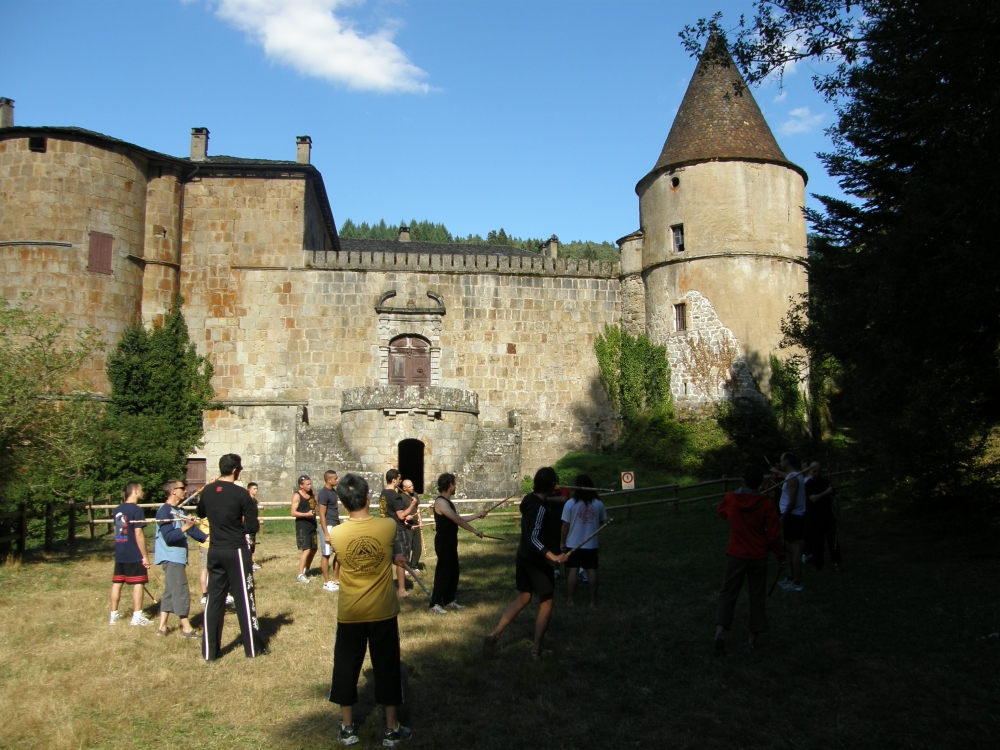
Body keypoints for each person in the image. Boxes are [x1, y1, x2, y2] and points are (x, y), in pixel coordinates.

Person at [328, 473, 411, 748]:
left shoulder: (337, 534)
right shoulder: (387, 526)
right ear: (367, 497)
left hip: (350, 612)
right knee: (388, 668)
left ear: (342, 503)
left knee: (346, 668)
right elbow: (389, 552)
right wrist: (395, 557)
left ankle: (347, 727)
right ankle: (391, 728)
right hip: (382, 610)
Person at [483, 467, 569, 660]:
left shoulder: (530, 500)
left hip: (523, 556)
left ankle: (494, 635)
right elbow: (533, 538)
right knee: (546, 602)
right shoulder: (540, 509)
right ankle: (536, 650)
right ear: (551, 484)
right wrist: (553, 557)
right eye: (555, 482)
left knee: (523, 598)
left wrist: (552, 493)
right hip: (537, 561)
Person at [196, 453, 264, 660]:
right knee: (244, 598)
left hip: (214, 548)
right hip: (235, 549)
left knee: (214, 600)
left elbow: (200, 513)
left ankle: (210, 652)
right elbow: (252, 526)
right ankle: (253, 648)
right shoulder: (241, 494)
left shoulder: (208, 491)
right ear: (234, 471)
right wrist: (237, 527)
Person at [713, 465, 786, 655]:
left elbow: (721, 512)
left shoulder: (732, 498)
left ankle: (719, 633)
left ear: (743, 480)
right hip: (758, 556)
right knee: (757, 597)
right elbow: (774, 535)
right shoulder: (766, 504)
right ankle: (751, 641)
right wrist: (781, 556)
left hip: (736, 554)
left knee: (728, 593)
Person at [154, 479, 207, 638]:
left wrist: (207, 538)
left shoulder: (179, 510)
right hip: (171, 557)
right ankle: (186, 629)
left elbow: (191, 531)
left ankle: (162, 628)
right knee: (180, 590)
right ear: (173, 491)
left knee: (170, 591)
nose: (185, 491)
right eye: (182, 488)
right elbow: (169, 537)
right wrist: (185, 526)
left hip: (178, 557)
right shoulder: (164, 511)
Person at [428, 473, 486, 615]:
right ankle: (434, 604)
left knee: (453, 571)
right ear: (449, 485)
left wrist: (477, 515)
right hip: (443, 541)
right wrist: (474, 531)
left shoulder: (448, 502)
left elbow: (458, 518)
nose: (455, 487)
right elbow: (457, 520)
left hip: (450, 539)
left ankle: (448, 600)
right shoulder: (440, 502)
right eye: (454, 484)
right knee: (444, 571)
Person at [559, 474, 608, 608]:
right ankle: (592, 601)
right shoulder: (598, 503)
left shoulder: (570, 503)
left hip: (573, 543)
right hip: (590, 544)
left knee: (574, 570)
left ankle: (571, 600)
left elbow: (565, 525)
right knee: (591, 570)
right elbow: (601, 521)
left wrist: (562, 542)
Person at [108, 481, 151, 627]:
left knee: (117, 583)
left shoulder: (117, 509)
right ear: (135, 491)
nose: (143, 492)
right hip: (134, 552)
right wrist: (145, 556)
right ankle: (137, 616)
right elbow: (139, 534)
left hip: (120, 551)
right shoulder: (137, 510)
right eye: (141, 489)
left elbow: (117, 531)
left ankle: (113, 615)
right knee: (138, 582)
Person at [773, 452, 807, 592]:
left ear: (787, 461)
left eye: (781, 460)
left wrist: (783, 517)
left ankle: (797, 581)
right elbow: (785, 476)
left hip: (793, 516)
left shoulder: (793, 478)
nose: (780, 463)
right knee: (788, 547)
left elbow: (792, 501)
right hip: (790, 515)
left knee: (795, 548)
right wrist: (777, 472)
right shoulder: (794, 475)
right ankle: (791, 576)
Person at [381, 469, 416, 599]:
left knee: (391, 558)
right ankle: (402, 590)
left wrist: (407, 524)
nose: (400, 481)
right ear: (394, 480)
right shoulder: (395, 495)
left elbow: (390, 513)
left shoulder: (383, 493)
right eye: (399, 479)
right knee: (401, 559)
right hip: (398, 531)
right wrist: (412, 505)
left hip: (387, 528)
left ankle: (386, 587)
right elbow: (401, 515)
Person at [804, 462, 842, 571]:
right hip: (814, 517)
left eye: (819, 471)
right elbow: (813, 499)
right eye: (814, 471)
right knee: (817, 541)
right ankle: (817, 564)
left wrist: (837, 514)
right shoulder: (808, 485)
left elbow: (833, 499)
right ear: (810, 471)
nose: (816, 473)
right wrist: (826, 492)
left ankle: (837, 562)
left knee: (833, 540)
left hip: (828, 515)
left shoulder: (826, 482)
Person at [317, 470, 342, 592]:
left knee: (339, 553)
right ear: (328, 480)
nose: (337, 480)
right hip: (328, 525)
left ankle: (336, 579)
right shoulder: (323, 494)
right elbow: (322, 514)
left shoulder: (333, 492)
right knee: (326, 554)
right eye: (335, 479)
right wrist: (326, 533)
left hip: (336, 524)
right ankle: (326, 582)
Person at [291, 475, 318, 584]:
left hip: (312, 524)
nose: (309, 486)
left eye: (310, 484)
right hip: (302, 525)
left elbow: (316, 503)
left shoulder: (311, 493)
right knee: (306, 549)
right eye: (307, 484)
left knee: (314, 548)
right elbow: (293, 512)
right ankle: (300, 575)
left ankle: (307, 570)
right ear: (301, 486)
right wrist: (306, 514)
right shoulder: (297, 496)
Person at [400, 479, 424, 571]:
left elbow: (417, 508)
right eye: (409, 487)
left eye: (412, 485)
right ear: (404, 488)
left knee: (417, 547)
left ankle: (414, 566)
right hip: (407, 525)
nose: (412, 488)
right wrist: (406, 518)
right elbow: (400, 512)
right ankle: (406, 567)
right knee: (408, 546)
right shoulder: (400, 497)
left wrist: (420, 521)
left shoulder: (415, 494)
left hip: (415, 523)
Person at [247, 482, 261, 571]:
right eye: (254, 489)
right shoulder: (246, 501)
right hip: (247, 526)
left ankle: (250, 562)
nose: (256, 491)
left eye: (257, 489)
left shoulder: (255, 501)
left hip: (253, 525)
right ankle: (248, 564)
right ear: (249, 489)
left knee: (252, 546)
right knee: (248, 545)